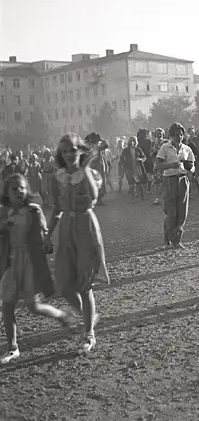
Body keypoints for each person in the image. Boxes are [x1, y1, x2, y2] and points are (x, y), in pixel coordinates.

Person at [0, 174, 71, 364]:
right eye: (14, 188)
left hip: (30, 262)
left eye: (22, 188)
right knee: (7, 304)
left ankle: (60, 315)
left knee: (33, 306)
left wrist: (46, 242)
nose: (19, 191)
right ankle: (12, 347)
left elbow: (44, 232)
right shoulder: (4, 212)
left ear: (27, 190)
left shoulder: (34, 210)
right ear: (7, 192)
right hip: (10, 261)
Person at [48, 134, 109, 354]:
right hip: (65, 229)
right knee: (64, 285)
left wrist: (85, 169)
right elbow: (57, 207)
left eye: (73, 150)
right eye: (65, 151)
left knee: (85, 284)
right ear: (61, 154)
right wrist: (48, 235)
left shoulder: (90, 174)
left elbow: (93, 198)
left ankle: (89, 334)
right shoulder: (58, 177)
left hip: (86, 227)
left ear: (80, 151)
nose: (69, 154)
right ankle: (89, 317)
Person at [154, 123, 195, 249]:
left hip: (183, 181)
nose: (179, 137)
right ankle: (167, 237)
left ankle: (176, 241)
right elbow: (158, 166)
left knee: (182, 213)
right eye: (176, 135)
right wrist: (171, 165)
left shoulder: (187, 149)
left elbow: (192, 164)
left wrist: (191, 170)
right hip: (169, 180)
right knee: (171, 212)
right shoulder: (165, 148)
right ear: (171, 136)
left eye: (181, 134)